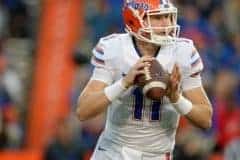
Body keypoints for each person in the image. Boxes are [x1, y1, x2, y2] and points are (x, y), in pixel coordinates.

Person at [76, 0, 213, 159]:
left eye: (168, 17)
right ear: (134, 19)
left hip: (157, 155)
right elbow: (83, 111)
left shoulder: (182, 52)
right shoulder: (114, 48)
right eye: (158, 18)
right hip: (113, 151)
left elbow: (205, 119)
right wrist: (124, 83)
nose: (166, 23)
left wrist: (176, 98)